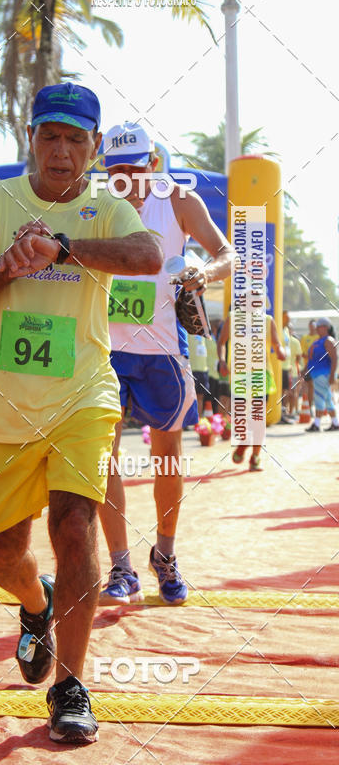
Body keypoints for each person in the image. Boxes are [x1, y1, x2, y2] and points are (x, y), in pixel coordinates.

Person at [0, 84, 162, 744]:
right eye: (50, 136)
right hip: (6, 406)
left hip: (84, 396)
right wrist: (8, 267)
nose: (62, 151)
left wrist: (64, 248)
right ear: (31, 138)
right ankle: (34, 603)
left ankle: (71, 685)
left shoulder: (106, 207)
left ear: (94, 147)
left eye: (76, 139)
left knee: (75, 525)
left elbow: (148, 259)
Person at [97, 123, 234, 608]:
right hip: (104, 350)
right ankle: (119, 566)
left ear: (153, 163)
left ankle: (166, 556)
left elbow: (226, 253)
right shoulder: (95, 203)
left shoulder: (178, 200)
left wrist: (204, 272)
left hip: (161, 351)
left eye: (134, 169)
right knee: (102, 459)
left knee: (168, 458)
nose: (125, 181)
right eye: (115, 172)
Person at [218, 311, 286, 469]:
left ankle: (255, 457)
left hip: (261, 375)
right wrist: (221, 361)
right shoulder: (233, 318)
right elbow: (221, 342)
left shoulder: (268, 321)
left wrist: (281, 351)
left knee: (258, 417)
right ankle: (244, 439)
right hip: (239, 374)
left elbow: (277, 344)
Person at [305, 317, 338, 432]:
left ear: (326, 327)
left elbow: (334, 358)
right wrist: (305, 370)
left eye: (319, 326)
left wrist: (332, 375)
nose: (317, 328)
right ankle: (335, 423)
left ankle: (317, 424)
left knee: (319, 398)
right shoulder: (318, 341)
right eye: (317, 326)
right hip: (316, 374)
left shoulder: (328, 340)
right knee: (327, 398)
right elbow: (311, 359)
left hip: (323, 374)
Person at [187, 333, 210, 418]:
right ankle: (189, 421)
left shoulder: (204, 332)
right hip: (191, 368)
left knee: (200, 396)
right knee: (190, 397)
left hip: (203, 369)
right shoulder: (187, 330)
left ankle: (198, 420)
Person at [300, 319, 318, 416]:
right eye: (311, 326)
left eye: (314, 326)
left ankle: (316, 407)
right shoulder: (304, 338)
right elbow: (302, 353)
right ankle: (309, 407)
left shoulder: (318, 337)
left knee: (315, 386)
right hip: (307, 366)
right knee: (308, 386)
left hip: (317, 366)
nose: (312, 328)